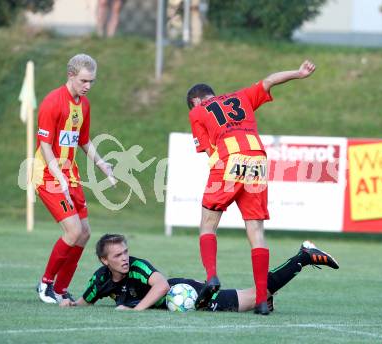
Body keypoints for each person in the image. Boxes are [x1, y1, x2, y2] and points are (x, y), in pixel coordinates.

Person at [186, 60, 316, 314]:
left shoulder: (197, 112)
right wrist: (298, 74)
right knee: (256, 229)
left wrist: (222, 175)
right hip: (258, 158)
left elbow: (209, 151)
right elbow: (269, 80)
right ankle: (260, 300)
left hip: (228, 161)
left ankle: (211, 276)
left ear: (195, 102)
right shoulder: (241, 96)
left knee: (207, 223)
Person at [59, 233, 339, 312]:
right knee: (258, 297)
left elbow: (161, 287)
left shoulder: (138, 266)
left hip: (187, 292)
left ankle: (302, 257)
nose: (124, 258)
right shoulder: (100, 279)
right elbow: (86, 301)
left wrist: (135, 310)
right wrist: (72, 304)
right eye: (117, 255)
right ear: (104, 260)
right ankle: (300, 258)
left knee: (259, 297)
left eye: (125, 252)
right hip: (178, 301)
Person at [33, 54, 117, 304]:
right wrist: (58, 177)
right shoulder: (52, 102)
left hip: (70, 175)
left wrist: (102, 164)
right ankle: (45, 284)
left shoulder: (84, 105)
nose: (88, 86)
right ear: (71, 75)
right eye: (84, 80)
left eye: (92, 81)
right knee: (73, 230)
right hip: (48, 174)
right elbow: (45, 146)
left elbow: (82, 139)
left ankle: (60, 289)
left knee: (84, 233)